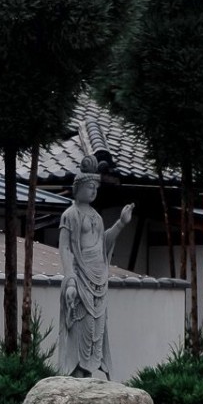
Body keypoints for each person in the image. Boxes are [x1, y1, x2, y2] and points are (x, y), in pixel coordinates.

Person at [57, 160, 133, 379]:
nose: (93, 192)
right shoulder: (70, 215)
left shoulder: (97, 217)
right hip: (80, 278)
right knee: (81, 328)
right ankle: (77, 375)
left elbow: (103, 244)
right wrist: (70, 279)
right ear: (78, 188)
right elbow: (65, 248)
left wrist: (120, 224)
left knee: (96, 334)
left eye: (95, 189)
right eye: (90, 187)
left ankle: (89, 374)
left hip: (98, 279)